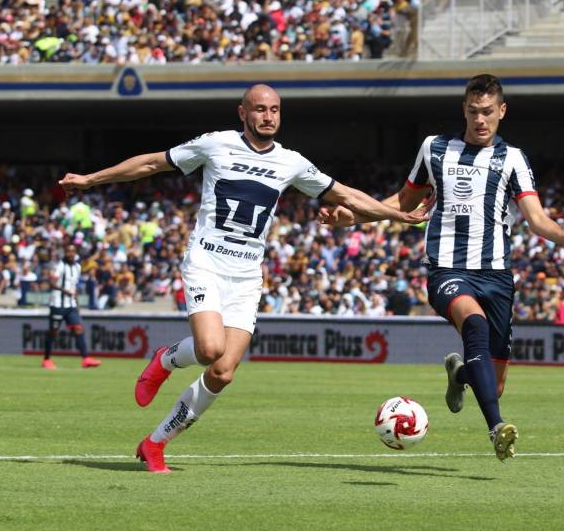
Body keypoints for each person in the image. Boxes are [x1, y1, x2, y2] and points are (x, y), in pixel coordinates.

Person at [58, 84, 428, 473]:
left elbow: (347, 195)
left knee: (223, 371)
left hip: (248, 274)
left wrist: (397, 216)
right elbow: (151, 163)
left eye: (275, 110)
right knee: (209, 349)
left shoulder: (292, 163)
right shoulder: (215, 144)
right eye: (259, 109)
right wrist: (89, 180)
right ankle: (166, 359)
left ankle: (155, 444)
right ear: (242, 113)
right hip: (206, 262)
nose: (268, 116)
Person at [320, 74, 564, 461]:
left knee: (493, 384)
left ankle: (461, 374)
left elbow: (535, 217)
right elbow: (403, 201)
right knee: (475, 325)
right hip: (447, 269)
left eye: (487, 112)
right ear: (463, 110)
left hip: (497, 276)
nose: (479, 120)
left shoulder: (512, 159)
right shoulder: (434, 149)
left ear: (501, 111)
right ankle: (497, 428)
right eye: (472, 112)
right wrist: (352, 217)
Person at [42, 244, 101, 370]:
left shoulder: (77, 267)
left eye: (73, 251)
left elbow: (74, 288)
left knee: (78, 329)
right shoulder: (59, 266)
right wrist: (64, 291)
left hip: (71, 305)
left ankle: (86, 359)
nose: (70, 254)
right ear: (65, 252)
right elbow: (52, 283)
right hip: (57, 304)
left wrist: (77, 305)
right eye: (68, 251)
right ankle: (46, 359)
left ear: (75, 253)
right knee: (53, 332)